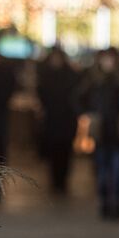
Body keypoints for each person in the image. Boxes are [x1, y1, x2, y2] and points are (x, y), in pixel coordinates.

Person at [78, 49, 119, 220]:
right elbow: (78, 98)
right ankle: (105, 203)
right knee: (103, 171)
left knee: (118, 171)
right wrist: (90, 113)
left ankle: (117, 205)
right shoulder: (94, 80)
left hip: (118, 131)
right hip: (101, 132)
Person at [36, 46, 81, 194]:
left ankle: (62, 180)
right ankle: (56, 180)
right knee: (54, 151)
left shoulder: (70, 76)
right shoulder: (47, 76)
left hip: (66, 119)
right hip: (52, 119)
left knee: (65, 150)